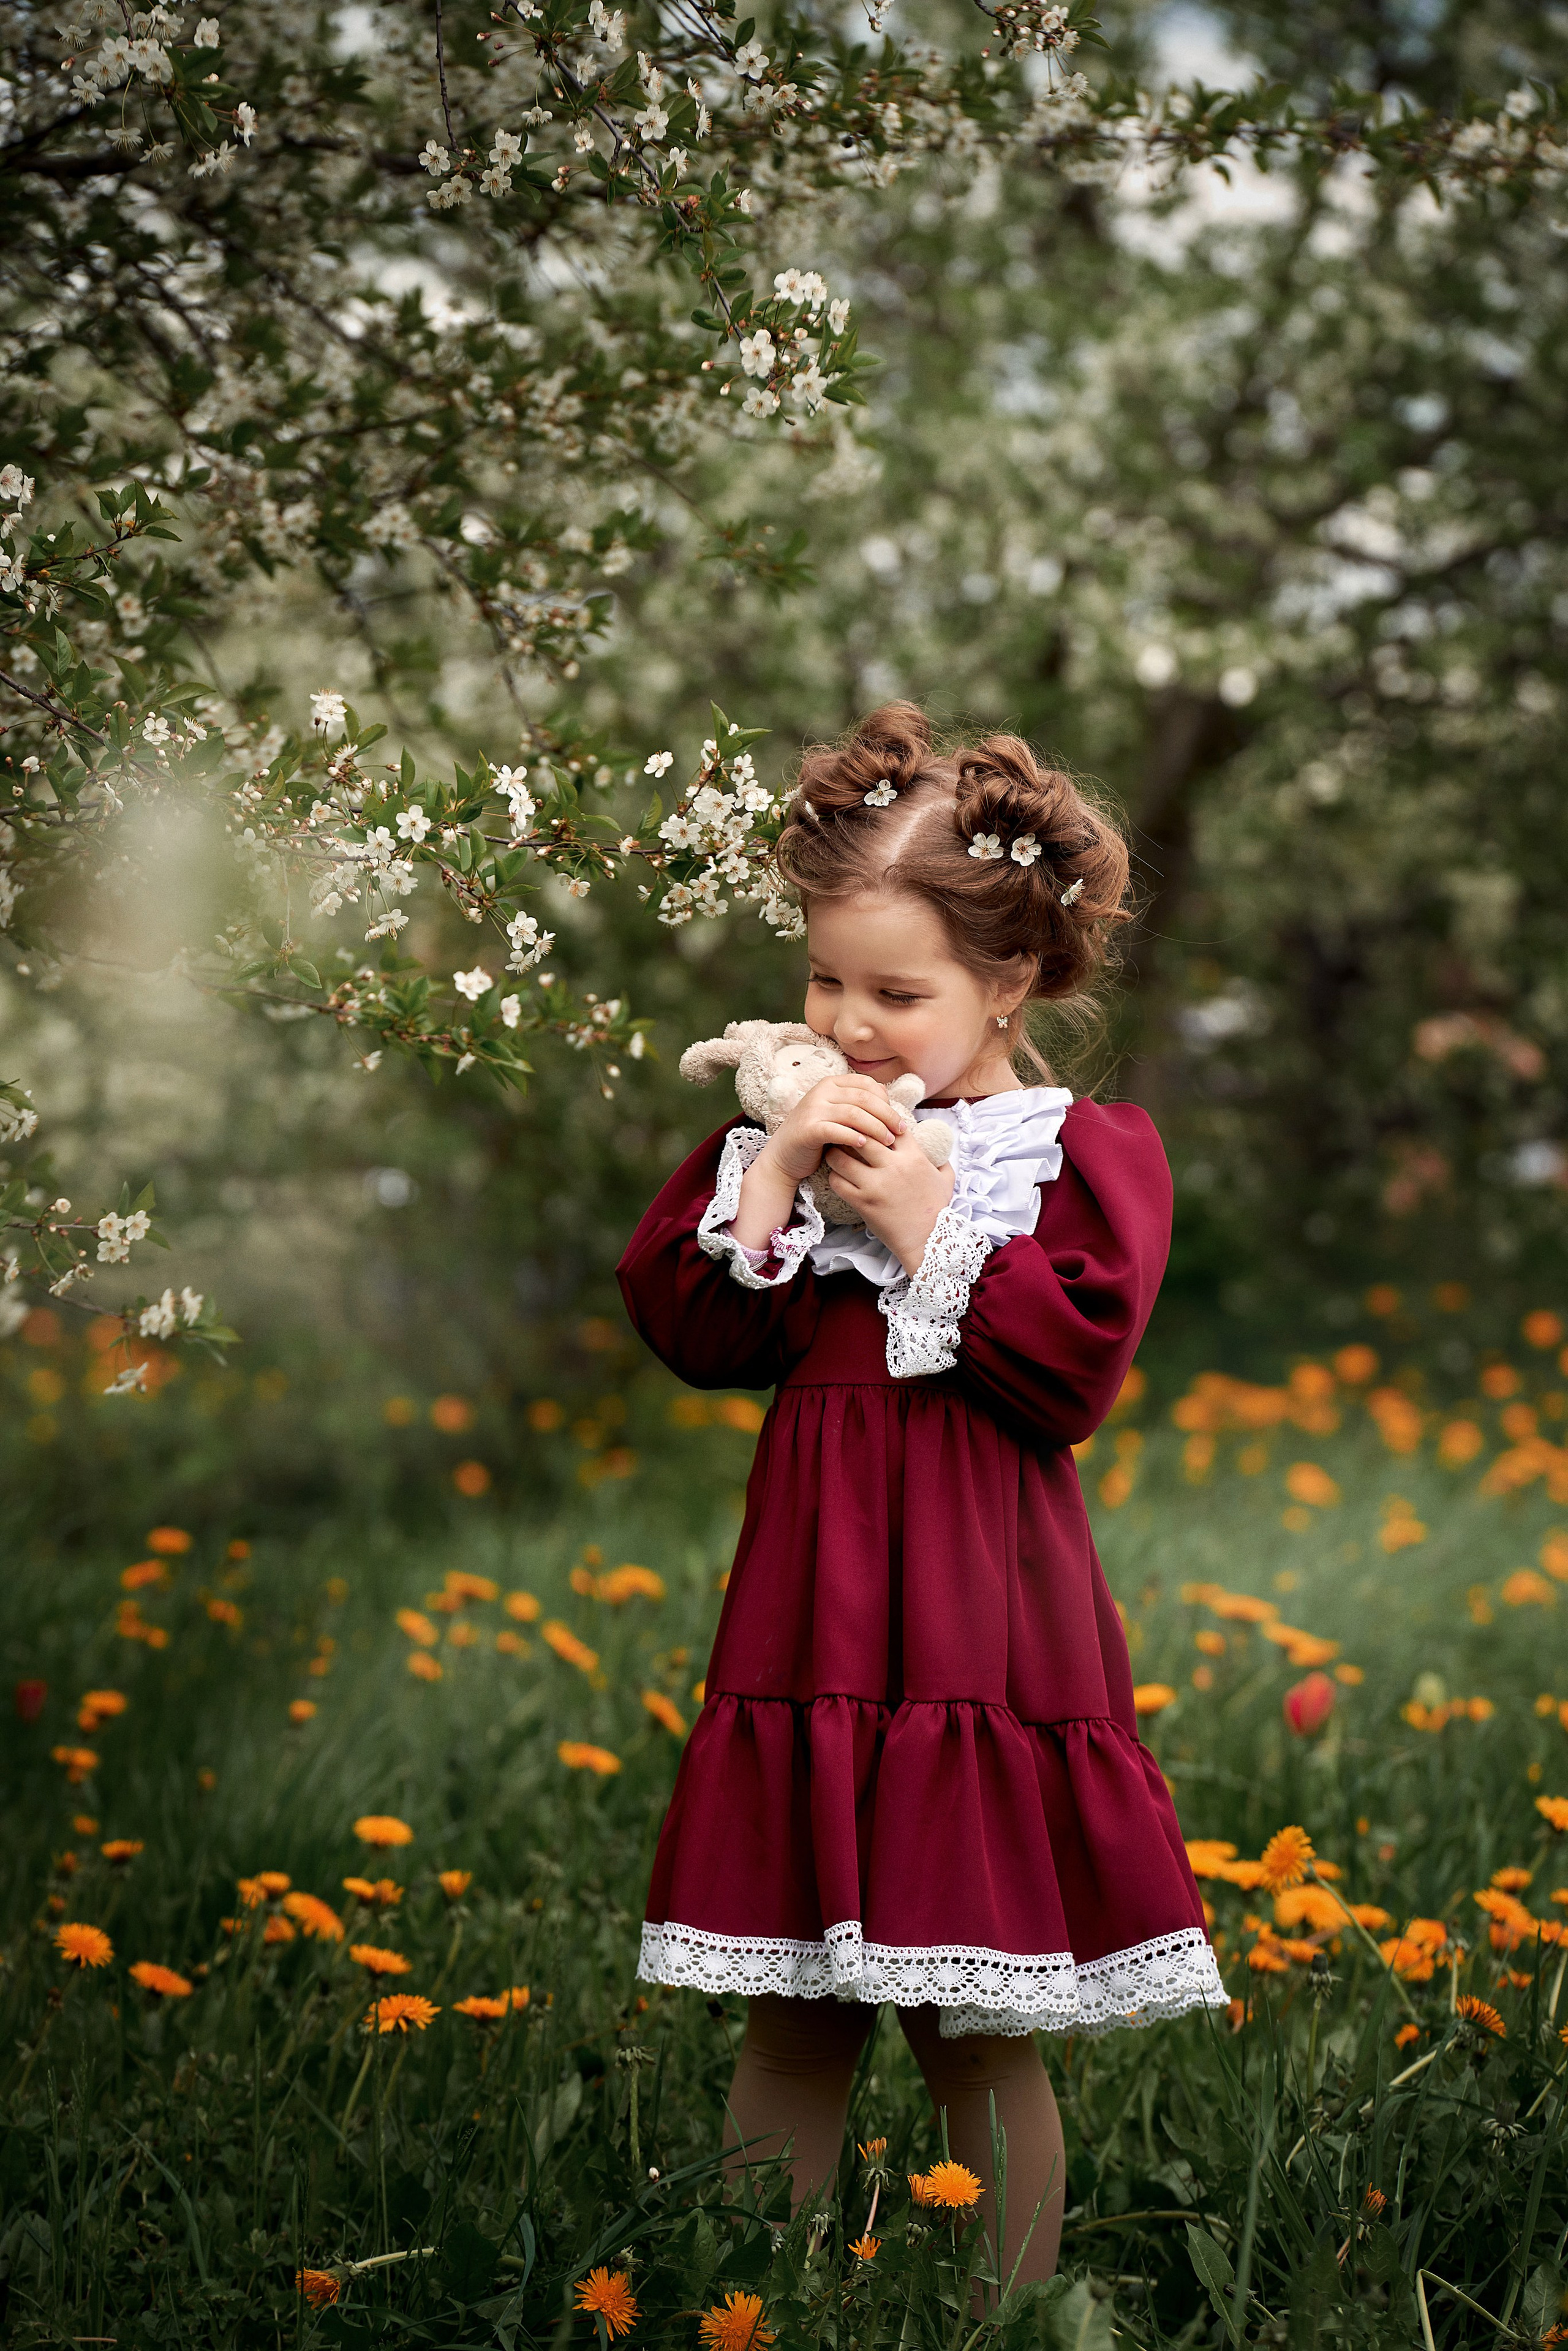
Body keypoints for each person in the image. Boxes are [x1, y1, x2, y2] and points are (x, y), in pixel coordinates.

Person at [616, 701, 1225, 2281]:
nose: (853, 1023)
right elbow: (700, 1335)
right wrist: (771, 1175)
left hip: (980, 1614)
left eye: (899, 993)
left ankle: (1007, 2316)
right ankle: (758, 2302)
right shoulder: (789, 1137)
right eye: (828, 980)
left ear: (1009, 981)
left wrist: (929, 1219)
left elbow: (1071, 1377)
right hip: (814, 1608)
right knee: (796, 2011)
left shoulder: (1076, 1153)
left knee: (975, 2020)